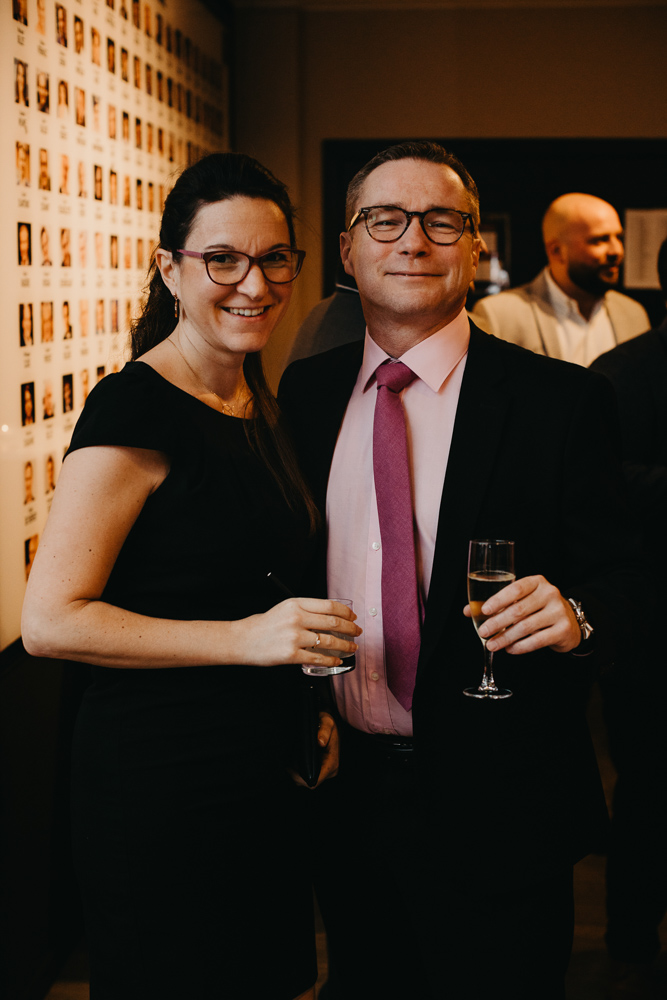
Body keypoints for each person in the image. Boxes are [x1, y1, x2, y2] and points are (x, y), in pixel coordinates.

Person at [278, 141, 641, 1000]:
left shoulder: (561, 401)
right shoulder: (302, 395)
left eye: (441, 221)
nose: (413, 240)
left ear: (475, 248)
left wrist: (580, 613)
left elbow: (629, 577)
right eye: (385, 220)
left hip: (504, 799)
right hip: (347, 793)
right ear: (347, 250)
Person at [21, 152, 361, 1000]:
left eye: (274, 259)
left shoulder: (259, 402)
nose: (254, 283)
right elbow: (51, 621)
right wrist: (249, 641)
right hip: (160, 780)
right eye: (222, 260)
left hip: (261, 770)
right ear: (170, 269)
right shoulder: (133, 406)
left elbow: (256, 584)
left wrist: (308, 709)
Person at [590, 238, 667, 1000]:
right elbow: (603, 489)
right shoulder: (620, 375)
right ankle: (630, 945)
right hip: (651, 626)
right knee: (648, 787)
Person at [473, 193, 649, 366]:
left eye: (619, 238)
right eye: (599, 240)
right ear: (557, 251)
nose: (616, 251)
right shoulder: (499, 316)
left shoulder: (633, 314)